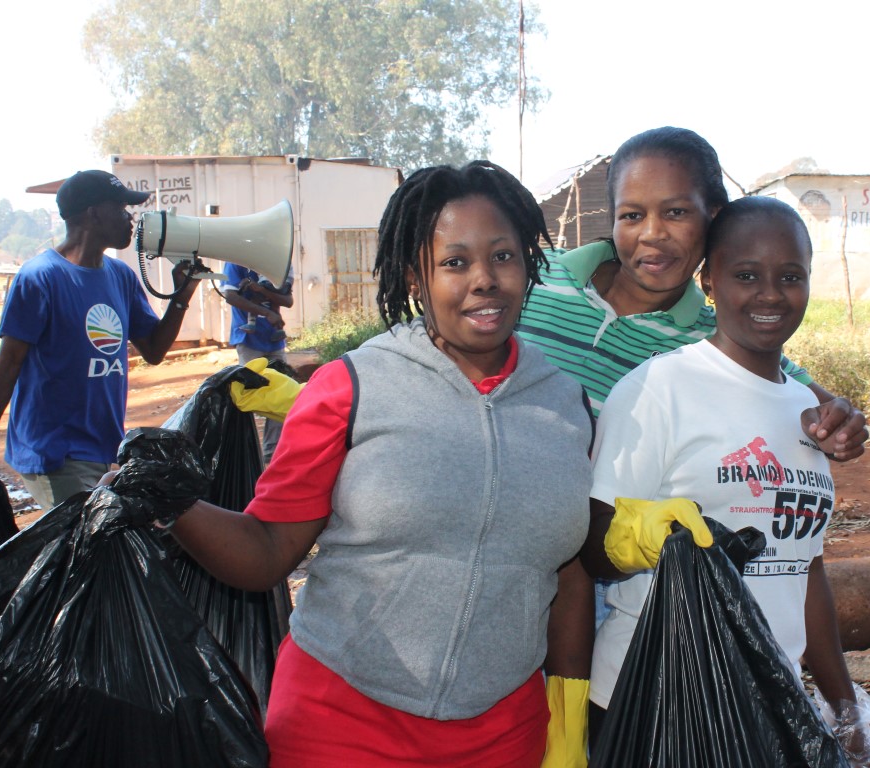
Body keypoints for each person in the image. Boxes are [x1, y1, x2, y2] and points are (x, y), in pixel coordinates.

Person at [122, 161, 595, 768]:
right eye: (454, 262)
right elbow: (266, 549)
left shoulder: (566, 405)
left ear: (528, 264)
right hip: (338, 727)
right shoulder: (350, 386)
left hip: (505, 736)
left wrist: (568, 720)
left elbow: (568, 576)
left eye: (503, 256)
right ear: (415, 277)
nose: (484, 279)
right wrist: (173, 503)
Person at [514, 127, 869, 630]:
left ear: (714, 218)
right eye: (631, 215)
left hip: (590, 576)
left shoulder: (709, 335)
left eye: (676, 212)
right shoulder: (535, 280)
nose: (652, 233)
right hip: (493, 538)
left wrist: (840, 422)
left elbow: (809, 399)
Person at [581, 196, 870, 766]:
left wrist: (845, 710)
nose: (770, 294)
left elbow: (804, 570)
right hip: (654, 701)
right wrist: (648, 535)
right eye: (746, 275)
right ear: (709, 281)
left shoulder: (807, 410)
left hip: (766, 707)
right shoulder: (659, 390)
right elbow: (593, 547)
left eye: (790, 276)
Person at [0, 169, 198, 510]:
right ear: (93, 214)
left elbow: (154, 350)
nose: (130, 218)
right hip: (55, 453)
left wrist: (182, 294)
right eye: (121, 208)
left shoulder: (121, 276)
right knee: (86, 540)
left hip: (105, 447)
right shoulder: (40, 278)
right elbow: (8, 364)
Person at [222, 264, 293, 462]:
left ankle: (272, 453)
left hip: (273, 339)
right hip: (248, 339)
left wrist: (262, 291)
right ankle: (243, 454)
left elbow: (288, 300)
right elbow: (230, 296)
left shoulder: (275, 262)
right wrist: (267, 311)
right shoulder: (235, 262)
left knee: (280, 393)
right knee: (247, 395)